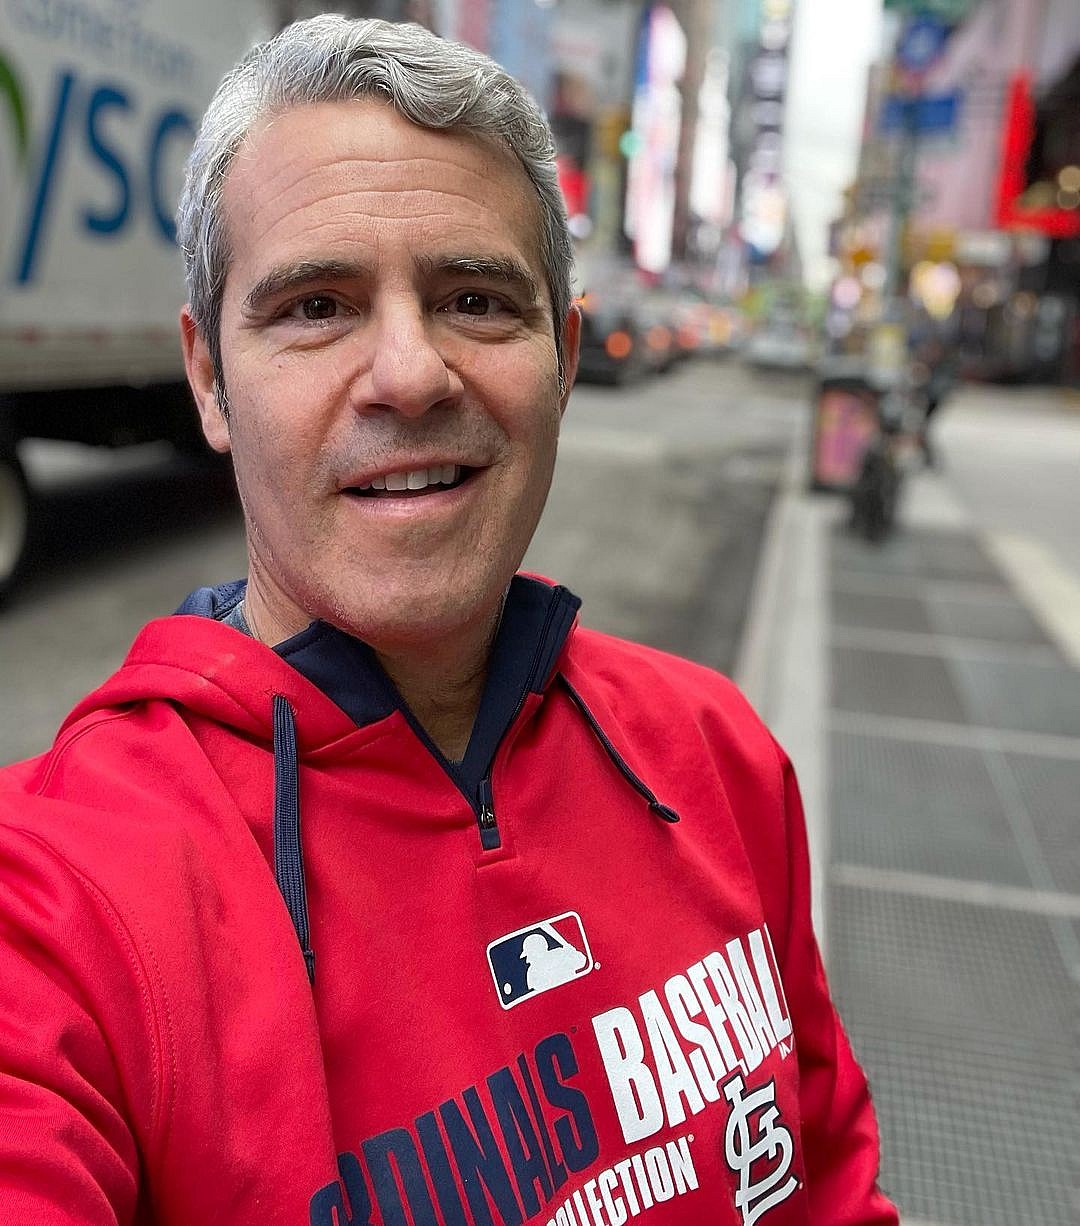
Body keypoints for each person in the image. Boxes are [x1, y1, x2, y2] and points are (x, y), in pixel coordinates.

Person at [0, 16, 898, 1224]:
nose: (411, 374)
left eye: (475, 299)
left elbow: (834, 1184)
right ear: (209, 377)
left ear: (563, 359)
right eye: (317, 306)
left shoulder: (716, 753)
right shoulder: (56, 898)